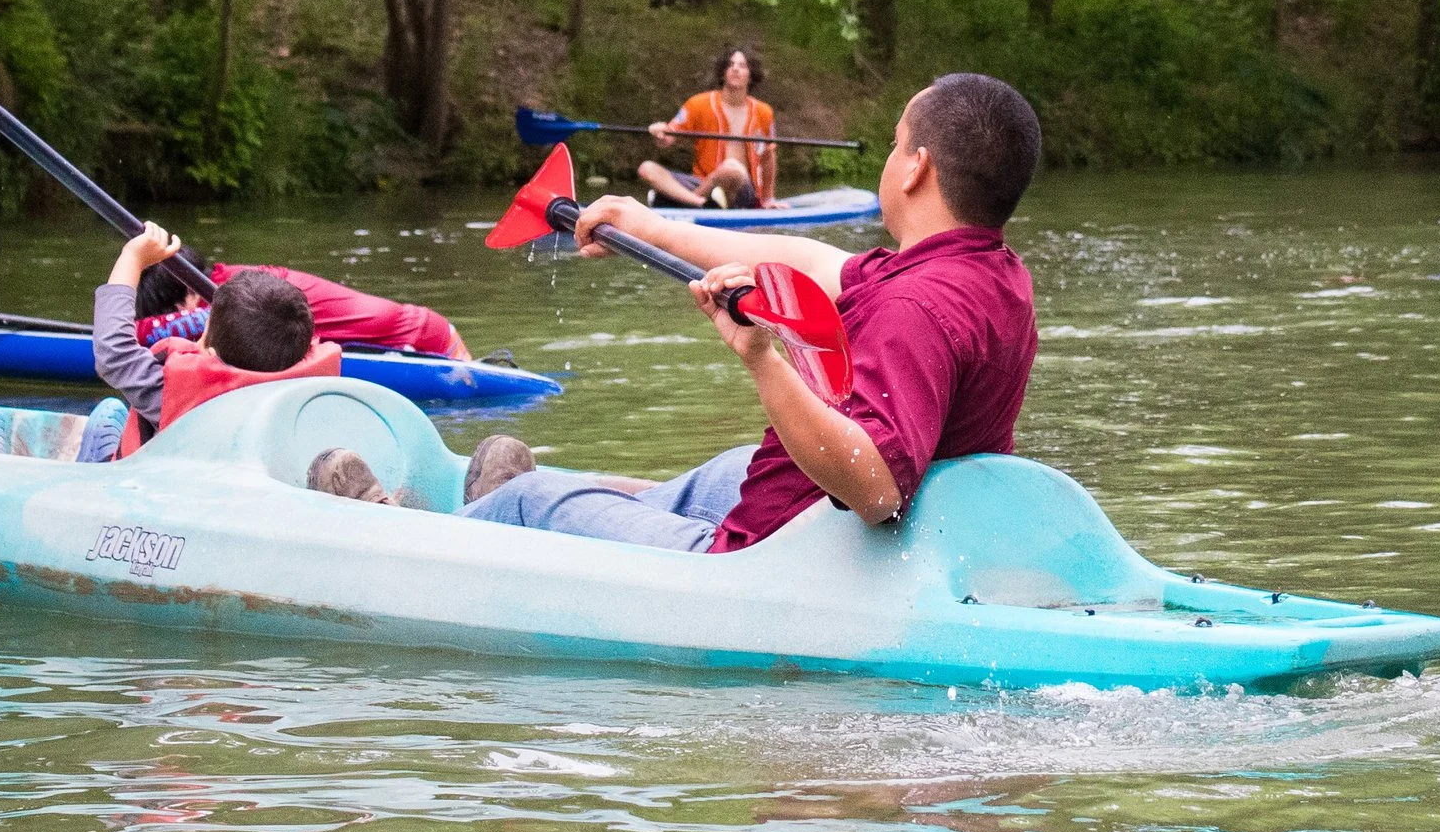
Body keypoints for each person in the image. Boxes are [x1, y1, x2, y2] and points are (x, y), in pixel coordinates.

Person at [310, 73, 1043, 551]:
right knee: (719, 473)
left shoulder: (917, 305)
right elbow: (811, 264)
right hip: (811, 515)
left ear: (915, 166)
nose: (889, 160)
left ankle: (420, 531)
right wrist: (642, 222)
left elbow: (877, 482)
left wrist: (763, 359)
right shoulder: (990, 274)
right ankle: (502, 505)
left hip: (776, 558)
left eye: (893, 145)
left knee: (535, 503)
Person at [94, 224, 341, 442]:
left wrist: (132, 259)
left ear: (210, 354)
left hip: (159, 482)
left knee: (106, 415)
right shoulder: (307, 400)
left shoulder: (171, 394)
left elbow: (114, 352)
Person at [134, 246, 470, 360]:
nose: (174, 316)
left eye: (170, 309)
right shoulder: (227, 281)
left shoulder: (237, 292)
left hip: (428, 343)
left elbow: (154, 331)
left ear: (188, 297)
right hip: (427, 329)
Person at [639, 48, 776, 210]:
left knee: (732, 169)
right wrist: (660, 132)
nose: (735, 69)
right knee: (647, 168)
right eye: (730, 65)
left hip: (743, 190)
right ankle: (698, 202)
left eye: (743, 65)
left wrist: (768, 199)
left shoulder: (764, 112)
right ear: (723, 72)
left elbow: (768, 158)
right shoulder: (698, 104)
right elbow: (666, 139)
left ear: (751, 75)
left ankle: (679, 200)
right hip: (703, 183)